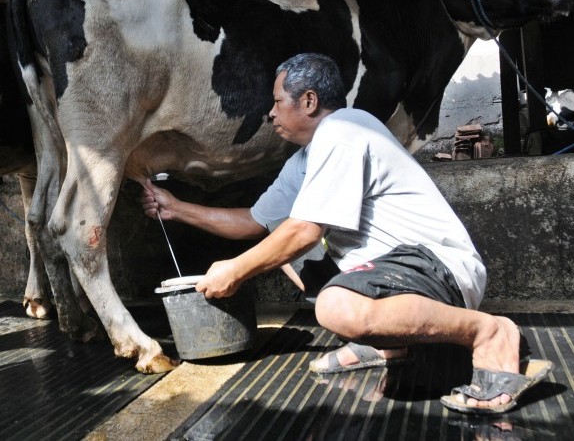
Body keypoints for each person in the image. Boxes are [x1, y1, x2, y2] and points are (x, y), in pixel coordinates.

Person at [140, 52, 552, 415]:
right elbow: (254, 222)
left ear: (309, 101)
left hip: (434, 266)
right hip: (392, 273)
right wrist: (175, 207)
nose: (271, 113)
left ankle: (490, 332)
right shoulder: (305, 159)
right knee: (280, 241)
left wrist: (234, 272)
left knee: (335, 305)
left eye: (277, 102)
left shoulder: (345, 129)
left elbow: (305, 232)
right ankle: (387, 343)